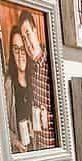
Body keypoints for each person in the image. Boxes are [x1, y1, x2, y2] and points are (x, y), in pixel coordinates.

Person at [19, 11, 56, 150]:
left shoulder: (52, 65)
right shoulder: (29, 71)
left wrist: (47, 117)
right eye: (24, 39)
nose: (28, 44)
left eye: (28, 34)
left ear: (35, 31)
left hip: (56, 151)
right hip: (39, 150)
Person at [4, 26, 34, 153]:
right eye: (16, 50)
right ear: (12, 52)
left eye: (23, 49)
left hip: (36, 148)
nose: (20, 55)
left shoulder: (34, 80)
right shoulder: (8, 84)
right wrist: (15, 142)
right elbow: (1, 122)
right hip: (18, 153)